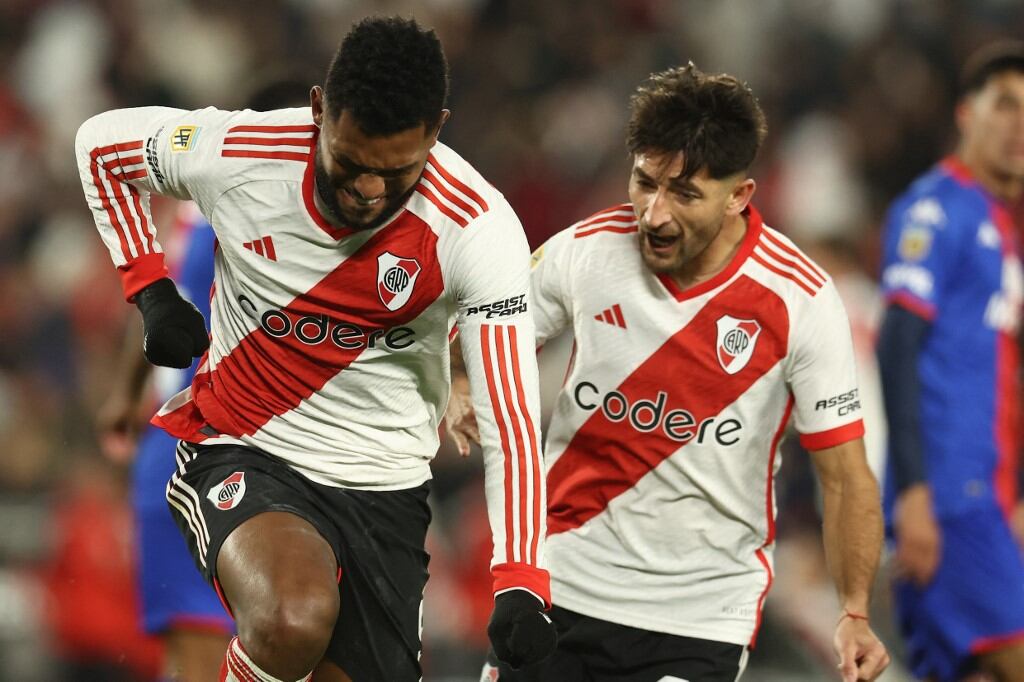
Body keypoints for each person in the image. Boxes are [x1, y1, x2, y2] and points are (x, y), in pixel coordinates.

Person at [76, 16, 555, 682]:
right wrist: (150, 288)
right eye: (351, 164)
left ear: (436, 130)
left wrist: (521, 580)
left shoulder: (477, 227)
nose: (367, 192)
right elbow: (100, 146)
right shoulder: (239, 152)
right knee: (291, 618)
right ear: (318, 109)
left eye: (395, 173)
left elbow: (513, 421)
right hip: (244, 446)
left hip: (385, 489)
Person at [450, 63, 890, 682]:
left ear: (739, 195)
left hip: (700, 616)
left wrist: (853, 610)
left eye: (684, 194)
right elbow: (481, 329)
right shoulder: (587, 251)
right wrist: (463, 380)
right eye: (645, 182)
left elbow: (845, 475)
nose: (654, 214)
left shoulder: (799, 301)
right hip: (562, 581)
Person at [877, 42, 1024, 682]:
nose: (1019, 126)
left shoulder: (1003, 227)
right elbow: (897, 346)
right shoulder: (934, 210)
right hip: (948, 497)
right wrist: (912, 495)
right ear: (967, 114)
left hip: (988, 494)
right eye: (1006, 106)